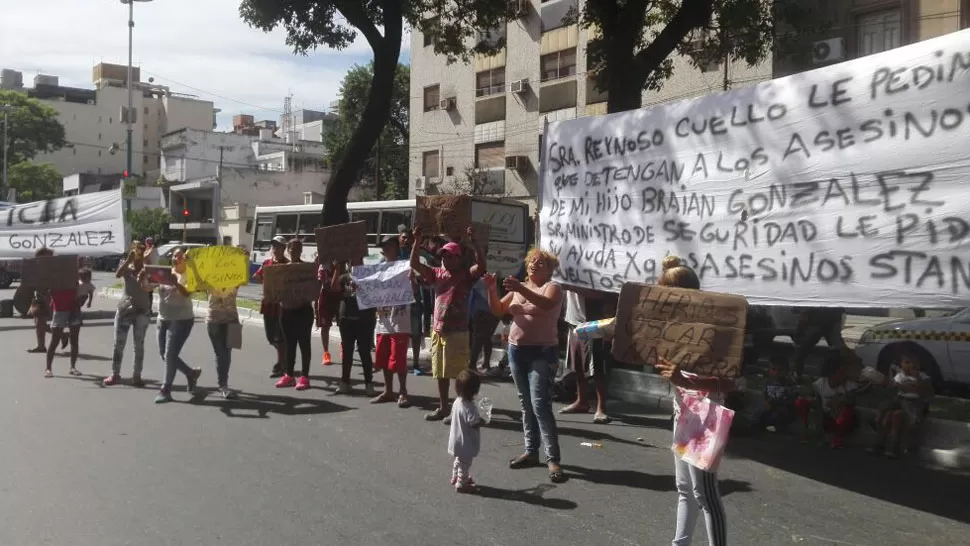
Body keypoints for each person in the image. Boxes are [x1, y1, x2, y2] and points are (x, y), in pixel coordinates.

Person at [652, 256, 730, 546]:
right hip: (683, 412)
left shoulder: (716, 329)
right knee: (685, 488)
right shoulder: (674, 328)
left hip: (707, 415)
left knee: (704, 493)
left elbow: (730, 382)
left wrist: (686, 381)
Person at [483, 248, 565, 484]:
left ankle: (553, 459)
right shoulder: (520, 287)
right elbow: (498, 309)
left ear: (549, 270)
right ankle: (531, 451)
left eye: (541, 263)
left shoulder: (552, 287)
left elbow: (547, 304)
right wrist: (491, 288)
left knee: (540, 404)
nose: (534, 265)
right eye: (532, 261)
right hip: (517, 350)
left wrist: (520, 288)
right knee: (525, 402)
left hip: (543, 351)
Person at [410, 226, 485, 423]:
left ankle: (460, 409)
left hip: (458, 332)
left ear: (459, 258)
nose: (446, 259)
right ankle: (443, 407)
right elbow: (414, 263)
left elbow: (482, 267)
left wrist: (475, 243)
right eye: (444, 256)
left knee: (460, 375)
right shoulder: (436, 274)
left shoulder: (466, 275)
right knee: (440, 372)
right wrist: (417, 240)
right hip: (438, 330)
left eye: (451, 256)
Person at [559, 287, 616, 424]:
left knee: (596, 364)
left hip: (592, 321)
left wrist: (573, 287)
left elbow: (602, 293)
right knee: (577, 362)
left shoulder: (592, 272)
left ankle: (601, 407)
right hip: (573, 319)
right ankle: (581, 400)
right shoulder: (570, 269)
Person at [153, 247, 202, 403]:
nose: (176, 259)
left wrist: (177, 283)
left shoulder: (190, 274)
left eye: (180, 257)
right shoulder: (165, 272)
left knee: (170, 355)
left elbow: (188, 293)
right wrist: (143, 280)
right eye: (174, 256)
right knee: (164, 355)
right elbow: (149, 287)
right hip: (163, 318)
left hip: (182, 319)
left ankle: (165, 389)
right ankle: (190, 373)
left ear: (185, 260)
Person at [104, 243, 153, 387]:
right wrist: (128, 261)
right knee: (118, 344)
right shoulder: (127, 268)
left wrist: (144, 266)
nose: (136, 253)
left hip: (142, 311)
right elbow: (117, 274)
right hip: (125, 310)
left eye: (139, 251)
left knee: (139, 345)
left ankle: (137, 376)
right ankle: (115, 374)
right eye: (134, 250)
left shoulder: (148, 268)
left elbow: (153, 283)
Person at [372, 235, 412, 407]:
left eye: (388, 246)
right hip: (382, 321)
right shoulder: (378, 268)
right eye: (383, 246)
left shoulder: (405, 267)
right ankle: (389, 391)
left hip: (400, 320)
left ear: (397, 247)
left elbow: (415, 284)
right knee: (383, 358)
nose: (385, 249)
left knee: (399, 359)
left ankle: (403, 392)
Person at [868, 352, 933, 458]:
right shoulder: (900, 375)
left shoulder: (923, 376)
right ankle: (877, 427)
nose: (909, 366)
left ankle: (895, 448)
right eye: (906, 362)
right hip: (900, 399)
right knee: (886, 408)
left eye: (912, 363)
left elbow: (925, 392)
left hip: (913, 402)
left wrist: (916, 379)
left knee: (896, 416)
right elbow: (893, 385)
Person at [795, 354, 860, 448]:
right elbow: (813, 399)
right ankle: (809, 431)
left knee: (847, 412)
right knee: (801, 402)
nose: (844, 374)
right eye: (841, 371)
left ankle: (837, 437)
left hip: (840, 419)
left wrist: (840, 401)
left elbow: (851, 399)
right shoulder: (820, 384)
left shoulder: (850, 385)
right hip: (824, 417)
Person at [332, 261, 377, 396]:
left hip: (364, 320)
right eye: (351, 260)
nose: (353, 262)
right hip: (346, 320)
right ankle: (345, 382)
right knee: (347, 353)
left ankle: (368, 384)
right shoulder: (344, 277)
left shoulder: (369, 276)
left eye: (356, 259)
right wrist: (336, 268)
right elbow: (334, 288)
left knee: (364, 352)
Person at [276, 238, 315, 390]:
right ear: (288, 250)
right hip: (286, 311)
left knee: (304, 344)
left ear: (301, 250)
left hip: (303, 311)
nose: (294, 251)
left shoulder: (306, 269)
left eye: (297, 249)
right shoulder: (281, 269)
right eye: (291, 249)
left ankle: (305, 376)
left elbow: (314, 289)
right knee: (289, 344)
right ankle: (289, 375)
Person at [45, 264, 93, 377]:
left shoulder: (75, 281)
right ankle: (48, 368)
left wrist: (82, 301)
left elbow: (83, 294)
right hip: (60, 310)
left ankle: (72, 367)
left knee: (74, 341)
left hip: (74, 310)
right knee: (55, 340)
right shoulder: (54, 281)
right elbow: (48, 295)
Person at [253, 235, 288, 378]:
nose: (275, 249)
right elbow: (257, 276)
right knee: (270, 337)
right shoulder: (267, 263)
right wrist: (261, 278)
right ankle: (285, 357)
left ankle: (281, 363)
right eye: (273, 246)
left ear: (284, 248)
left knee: (279, 336)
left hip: (281, 306)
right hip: (268, 304)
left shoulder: (287, 264)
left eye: (278, 246)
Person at [448, 369, 483, 493]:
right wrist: (482, 421)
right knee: (465, 463)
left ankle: (455, 476)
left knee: (459, 460)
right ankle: (461, 483)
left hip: (456, 440)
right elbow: (474, 423)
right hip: (466, 442)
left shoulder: (457, 402)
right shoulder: (471, 407)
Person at [207, 284, 240, 399]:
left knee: (226, 353)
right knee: (220, 353)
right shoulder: (209, 278)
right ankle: (223, 385)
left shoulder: (235, 279)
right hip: (214, 320)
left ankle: (223, 383)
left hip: (232, 319)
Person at [792, 307, 845, 380]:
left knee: (838, 351)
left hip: (826, 319)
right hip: (818, 320)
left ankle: (837, 378)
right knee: (800, 350)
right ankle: (796, 377)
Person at [759, 356, 799, 433]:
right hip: (770, 407)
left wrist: (780, 404)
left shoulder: (790, 384)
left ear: (787, 371)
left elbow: (793, 398)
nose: (777, 372)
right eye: (774, 369)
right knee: (761, 414)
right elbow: (765, 395)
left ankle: (778, 427)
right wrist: (767, 402)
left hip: (784, 409)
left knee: (781, 415)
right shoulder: (768, 383)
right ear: (769, 370)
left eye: (781, 370)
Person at [468, 277, 499, 374]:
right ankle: (485, 363)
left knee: (478, 339)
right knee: (486, 339)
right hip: (492, 311)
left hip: (481, 312)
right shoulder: (495, 280)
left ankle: (473, 364)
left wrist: (468, 315)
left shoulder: (478, 282)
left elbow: (471, 299)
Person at [26, 247, 54, 354]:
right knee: (38, 324)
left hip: (49, 298)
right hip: (38, 298)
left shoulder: (54, 269)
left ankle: (41, 346)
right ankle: (61, 336)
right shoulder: (37, 268)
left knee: (40, 324)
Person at [315, 257, 338, 366]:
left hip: (339, 295)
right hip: (325, 295)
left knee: (343, 325)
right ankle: (326, 353)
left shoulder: (341, 259)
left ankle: (344, 347)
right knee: (325, 327)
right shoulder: (321, 261)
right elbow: (319, 282)